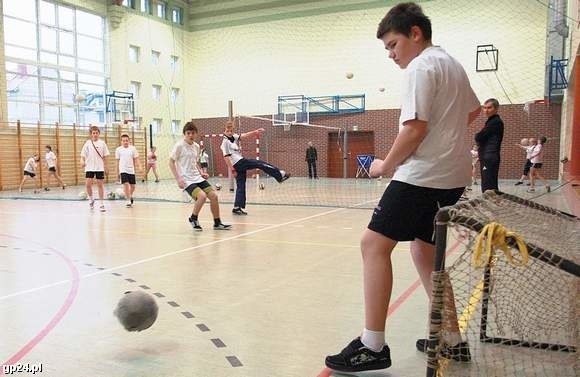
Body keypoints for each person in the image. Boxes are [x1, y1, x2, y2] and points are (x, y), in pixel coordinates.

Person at [324, 3, 480, 372]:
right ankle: (453, 339)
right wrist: (448, 136)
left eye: (393, 45)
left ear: (415, 33)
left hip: (423, 177)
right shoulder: (452, 64)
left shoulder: (420, 67)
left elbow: (413, 129)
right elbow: (471, 112)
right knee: (425, 253)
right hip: (453, 177)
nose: (392, 55)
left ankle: (372, 345)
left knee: (373, 244)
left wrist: (384, 166)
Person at [169, 121, 231, 231]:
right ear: (185, 134)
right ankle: (193, 218)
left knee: (214, 196)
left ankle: (217, 223)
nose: (190, 135)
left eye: (193, 133)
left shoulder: (196, 146)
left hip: (197, 177)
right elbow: (171, 162)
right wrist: (178, 179)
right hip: (186, 179)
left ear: (196, 134)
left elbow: (195, 162)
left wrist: (201, 172)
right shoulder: (179, 146)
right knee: (202, 196)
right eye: (188, 133)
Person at [221, 120, 290, 215]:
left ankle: (237, 207)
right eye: (228, 130)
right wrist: (232, 170)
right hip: (238, 163)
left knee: (241, 185)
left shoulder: (233, 137)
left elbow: (244, 136)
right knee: (259, 163)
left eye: (231, 130)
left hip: (239, 163)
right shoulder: (225, 142)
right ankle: (279, 175)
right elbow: (226, 157)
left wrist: (255, 131)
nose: (230, 132)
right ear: (225, 130)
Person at [474, 98, 504, 192]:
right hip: (487, 156)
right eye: (484, 108)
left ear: (496, 108)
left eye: (489, 108)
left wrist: (478, 136)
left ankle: (491, 203)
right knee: (489, 183)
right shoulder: (491, 121)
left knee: (488, 184)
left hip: (489, 157)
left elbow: (479, 137)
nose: (486, 110)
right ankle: (493, 203)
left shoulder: (495, 122)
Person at [80, 125, 110, 212]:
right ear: (91, 134)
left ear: (99, 134)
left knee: (100, 185)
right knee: (88, 184)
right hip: (89, 167)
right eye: (93, 133)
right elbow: (82, 155)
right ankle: (91, 199)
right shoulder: (87, 143)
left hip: (99, 168)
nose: (95, 134)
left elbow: (106, 156)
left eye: (97, 133)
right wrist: (82, 161)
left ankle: (101, 203)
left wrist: (106, 167)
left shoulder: (102, 143)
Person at [115, 134, 140, 207]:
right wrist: (117, 173)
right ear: (121, 141)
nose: (125, 142)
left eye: (126, 140)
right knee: (126, 184)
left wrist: (140, 166)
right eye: (123, 141)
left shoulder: (133, 148)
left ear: (129, 141)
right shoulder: (118, 149)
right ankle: (128, 200)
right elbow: (117, 161)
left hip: (131, 170)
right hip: (123, 170)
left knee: (133, 186)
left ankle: (129, 195)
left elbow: (136, 158)